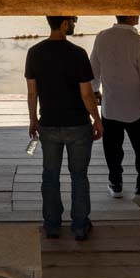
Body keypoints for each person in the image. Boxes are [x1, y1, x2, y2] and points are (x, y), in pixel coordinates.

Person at [27, 16, 103, 240]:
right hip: (78, 125)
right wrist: (97, 120)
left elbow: (32, 92)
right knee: (79, 175)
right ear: (63, 24)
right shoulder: (77, 53)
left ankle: (51, 225)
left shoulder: (34, 53)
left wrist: (33, 120)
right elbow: (87, 94)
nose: (73, 23)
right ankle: (79, 225)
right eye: (71, 20)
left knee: (50, 175)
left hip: (48, 124)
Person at [91, 15, 140, 209]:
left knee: (113, 149)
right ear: (131, 17)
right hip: (137, 107)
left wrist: (95, 91)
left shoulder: (101, 37)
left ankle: (116, 183)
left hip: (110, 106)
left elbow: (93, 70)